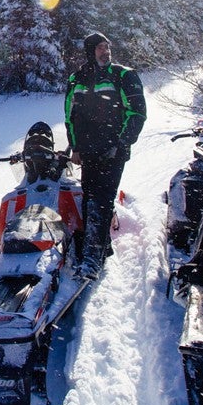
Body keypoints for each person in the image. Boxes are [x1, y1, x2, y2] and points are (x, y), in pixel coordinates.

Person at [64, 32, 146, 279]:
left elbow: (137, 113)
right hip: (87, 151)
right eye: (100, 47)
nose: (105, 51)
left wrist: (121, 145)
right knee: (89, 199)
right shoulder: (77, 78)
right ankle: (100, 248)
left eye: (107, 46)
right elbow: (70, 116)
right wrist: (75, 147)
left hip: (112, 151)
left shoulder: (124, 75)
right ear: (90, 50)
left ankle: (91, 261)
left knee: (101, 199)